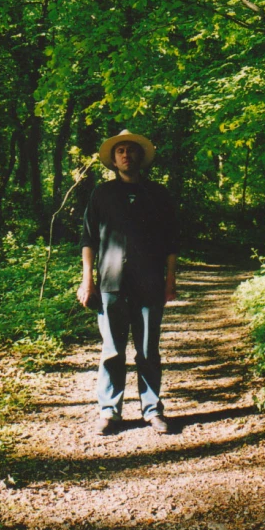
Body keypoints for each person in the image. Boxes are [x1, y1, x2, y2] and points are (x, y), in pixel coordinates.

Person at [77, 129, 178, 435]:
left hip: (149, 283)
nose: (125, 155)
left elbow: (172, 241)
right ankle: (109, 411)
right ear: (114, 158)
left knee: (148, 350)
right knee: (112, 351)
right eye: (120, 151)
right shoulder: (102, 194)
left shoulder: (158, 195)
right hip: (110, 284)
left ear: (140, 157)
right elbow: (88, 239)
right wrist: (87, 281)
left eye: (131, 150)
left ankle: (152, 409)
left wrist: (169, 281)